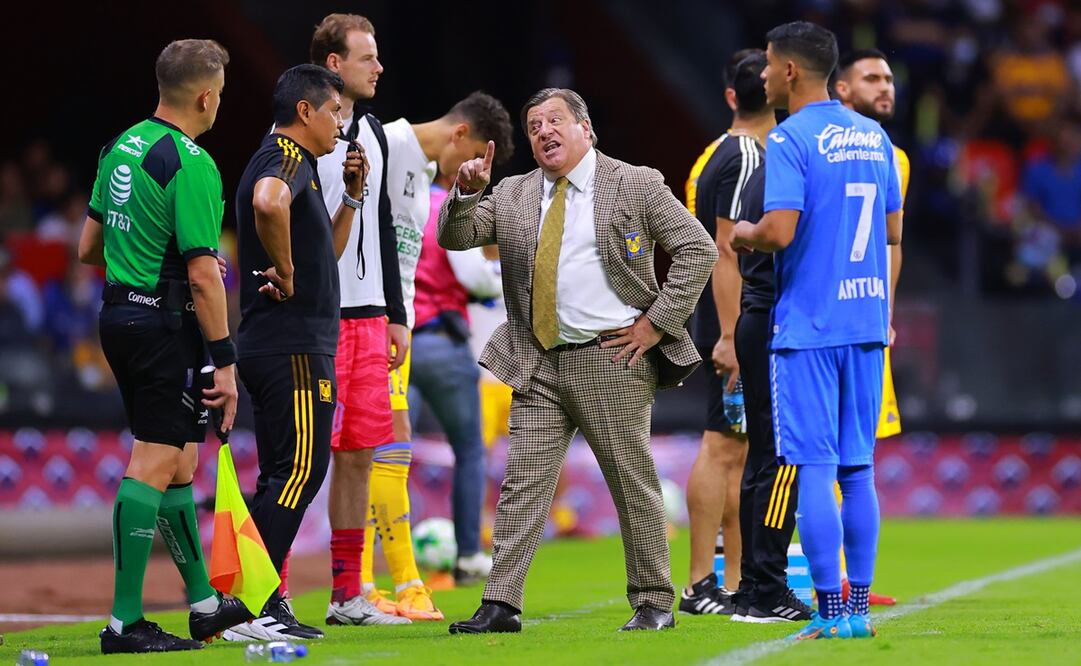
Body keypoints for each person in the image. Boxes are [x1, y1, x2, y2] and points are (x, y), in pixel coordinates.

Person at [442, 88, 718, 634]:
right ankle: (500, 605)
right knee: (523, 482)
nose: (544, 131)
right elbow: (456, 235)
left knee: (630, 480)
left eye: (555, 121)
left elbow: (698, 247)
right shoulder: (515, 192)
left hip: (611, 356)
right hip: (537, 359)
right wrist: (466, 193)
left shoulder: (633, 182)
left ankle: (654, 603)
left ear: (585, 128)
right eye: (535, 125)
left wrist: (656, 324)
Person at [76, 39, 251, 653]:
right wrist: (225, 361)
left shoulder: (118, 146)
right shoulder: (192, 163)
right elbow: (205, 274)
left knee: (179, 461)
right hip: (162, 327)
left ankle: (202, 603)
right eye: (221, 96)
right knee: (153, 460)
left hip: (119, 314)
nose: (219, 105)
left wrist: (139, 250)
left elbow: (86, 248)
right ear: (205, 95)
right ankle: (124, 623)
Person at [730, 22, 902, 640]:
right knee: (859, 471)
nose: (765, 76)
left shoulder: (790, 139)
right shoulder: (875, 137)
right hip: (863, 322)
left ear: (791, 72)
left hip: (807, 327)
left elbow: (778, 231)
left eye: (770, 66)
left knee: (812, 468)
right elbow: (892, 233)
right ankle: (857, 613)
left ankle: (830, 616)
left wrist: (743, 234)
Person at [360, 91, 515, 620]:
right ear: (464, 136)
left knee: (381, 447)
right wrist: (501, 276)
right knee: (467, 449)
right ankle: (467, 553)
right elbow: (472, 275)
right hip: (430, 340)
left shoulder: (414, 174)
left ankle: (370, 578)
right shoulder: (420, 179)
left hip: (398, 334)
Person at [231, 63, 367, 641]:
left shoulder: (302, 166)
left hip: (279, 342)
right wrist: (283, 270)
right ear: (306, 112)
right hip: (290, 345)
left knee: (280, 477)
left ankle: (250, 602)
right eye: (335, 111)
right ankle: (245, 605)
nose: (342, 123)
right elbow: (267, 204)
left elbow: (321, 258)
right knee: (299, 473)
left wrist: (351, 200)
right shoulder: (284, 158)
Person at [302, 13, 411, 628]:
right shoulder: (295, 130)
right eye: (367, 57)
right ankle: (274, 593)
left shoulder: (374, 133)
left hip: (369, 317)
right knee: (302, 458)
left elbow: (385, 226)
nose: (379, 67)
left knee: (359, 455)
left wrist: (395, 314)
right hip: (316, 317)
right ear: (335, 65)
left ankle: (347, 595)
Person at [678, 49, 770, 617]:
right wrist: (732, 336)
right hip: (728, 321)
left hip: (729, 319)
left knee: (740, 449)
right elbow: (725, 251)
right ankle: (698, 583)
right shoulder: (742, 156)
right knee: (722, 445)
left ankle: (733, 579)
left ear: (733, 95)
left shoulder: (734, 151)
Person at [835, 47, 912, 608]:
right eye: (871, 78)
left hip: (864, 317)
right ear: (841, 88)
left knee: (857, 452)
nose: (885, 87)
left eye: (888, 78)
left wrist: (885, 311)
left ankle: (846, 578)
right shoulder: (814, 143)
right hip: (819, 321)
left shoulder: (895, 155)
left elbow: (893, 242)